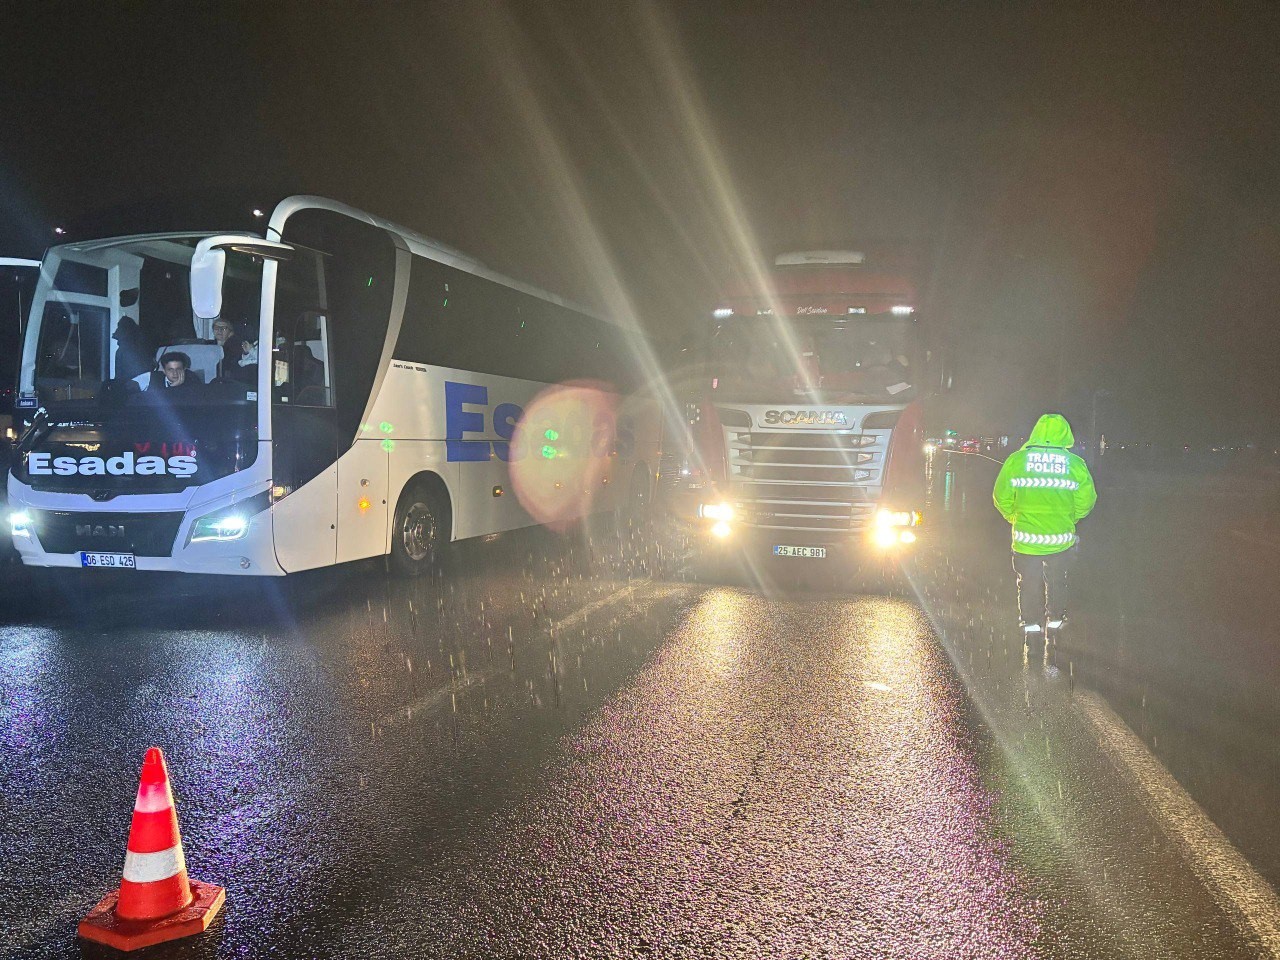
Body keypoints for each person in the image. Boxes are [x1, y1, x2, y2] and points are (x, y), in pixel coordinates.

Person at [992, 413, 1097, 643]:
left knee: (1028, 581)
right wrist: (1070, 518)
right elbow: (1087, 500)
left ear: (1036, 432)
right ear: (1066, 434)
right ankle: (1056, 621)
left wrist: (1014, 517)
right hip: (1060, 539)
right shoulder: (1075, 464)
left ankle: (1031, 625)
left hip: (1026, 539)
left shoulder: (1016, 460)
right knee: (1058, 579)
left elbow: (1001, 496)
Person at [133, 351, 200, 392]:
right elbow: (128, 388)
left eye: (178, 369)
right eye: (170, 370)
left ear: (184, 369)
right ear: (164, 371)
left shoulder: (193, 379)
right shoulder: (151, 377)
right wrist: (171, 388)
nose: (175, 373)